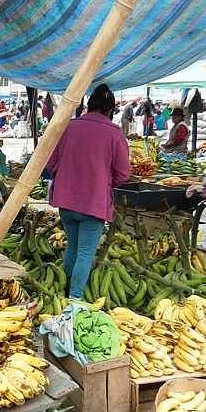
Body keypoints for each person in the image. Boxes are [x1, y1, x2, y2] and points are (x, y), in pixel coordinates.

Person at [45, 83, 131, 300]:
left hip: (66, 201)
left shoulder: (69, 127)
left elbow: (51, 163)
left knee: (72, 247)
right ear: (110, 110)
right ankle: (74, 299)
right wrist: (103, 179)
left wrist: (67, 176)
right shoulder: (113, 132)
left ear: (88, 106)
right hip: (93, 203)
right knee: (84, 253)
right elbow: (123, 174)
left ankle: (62, 293)